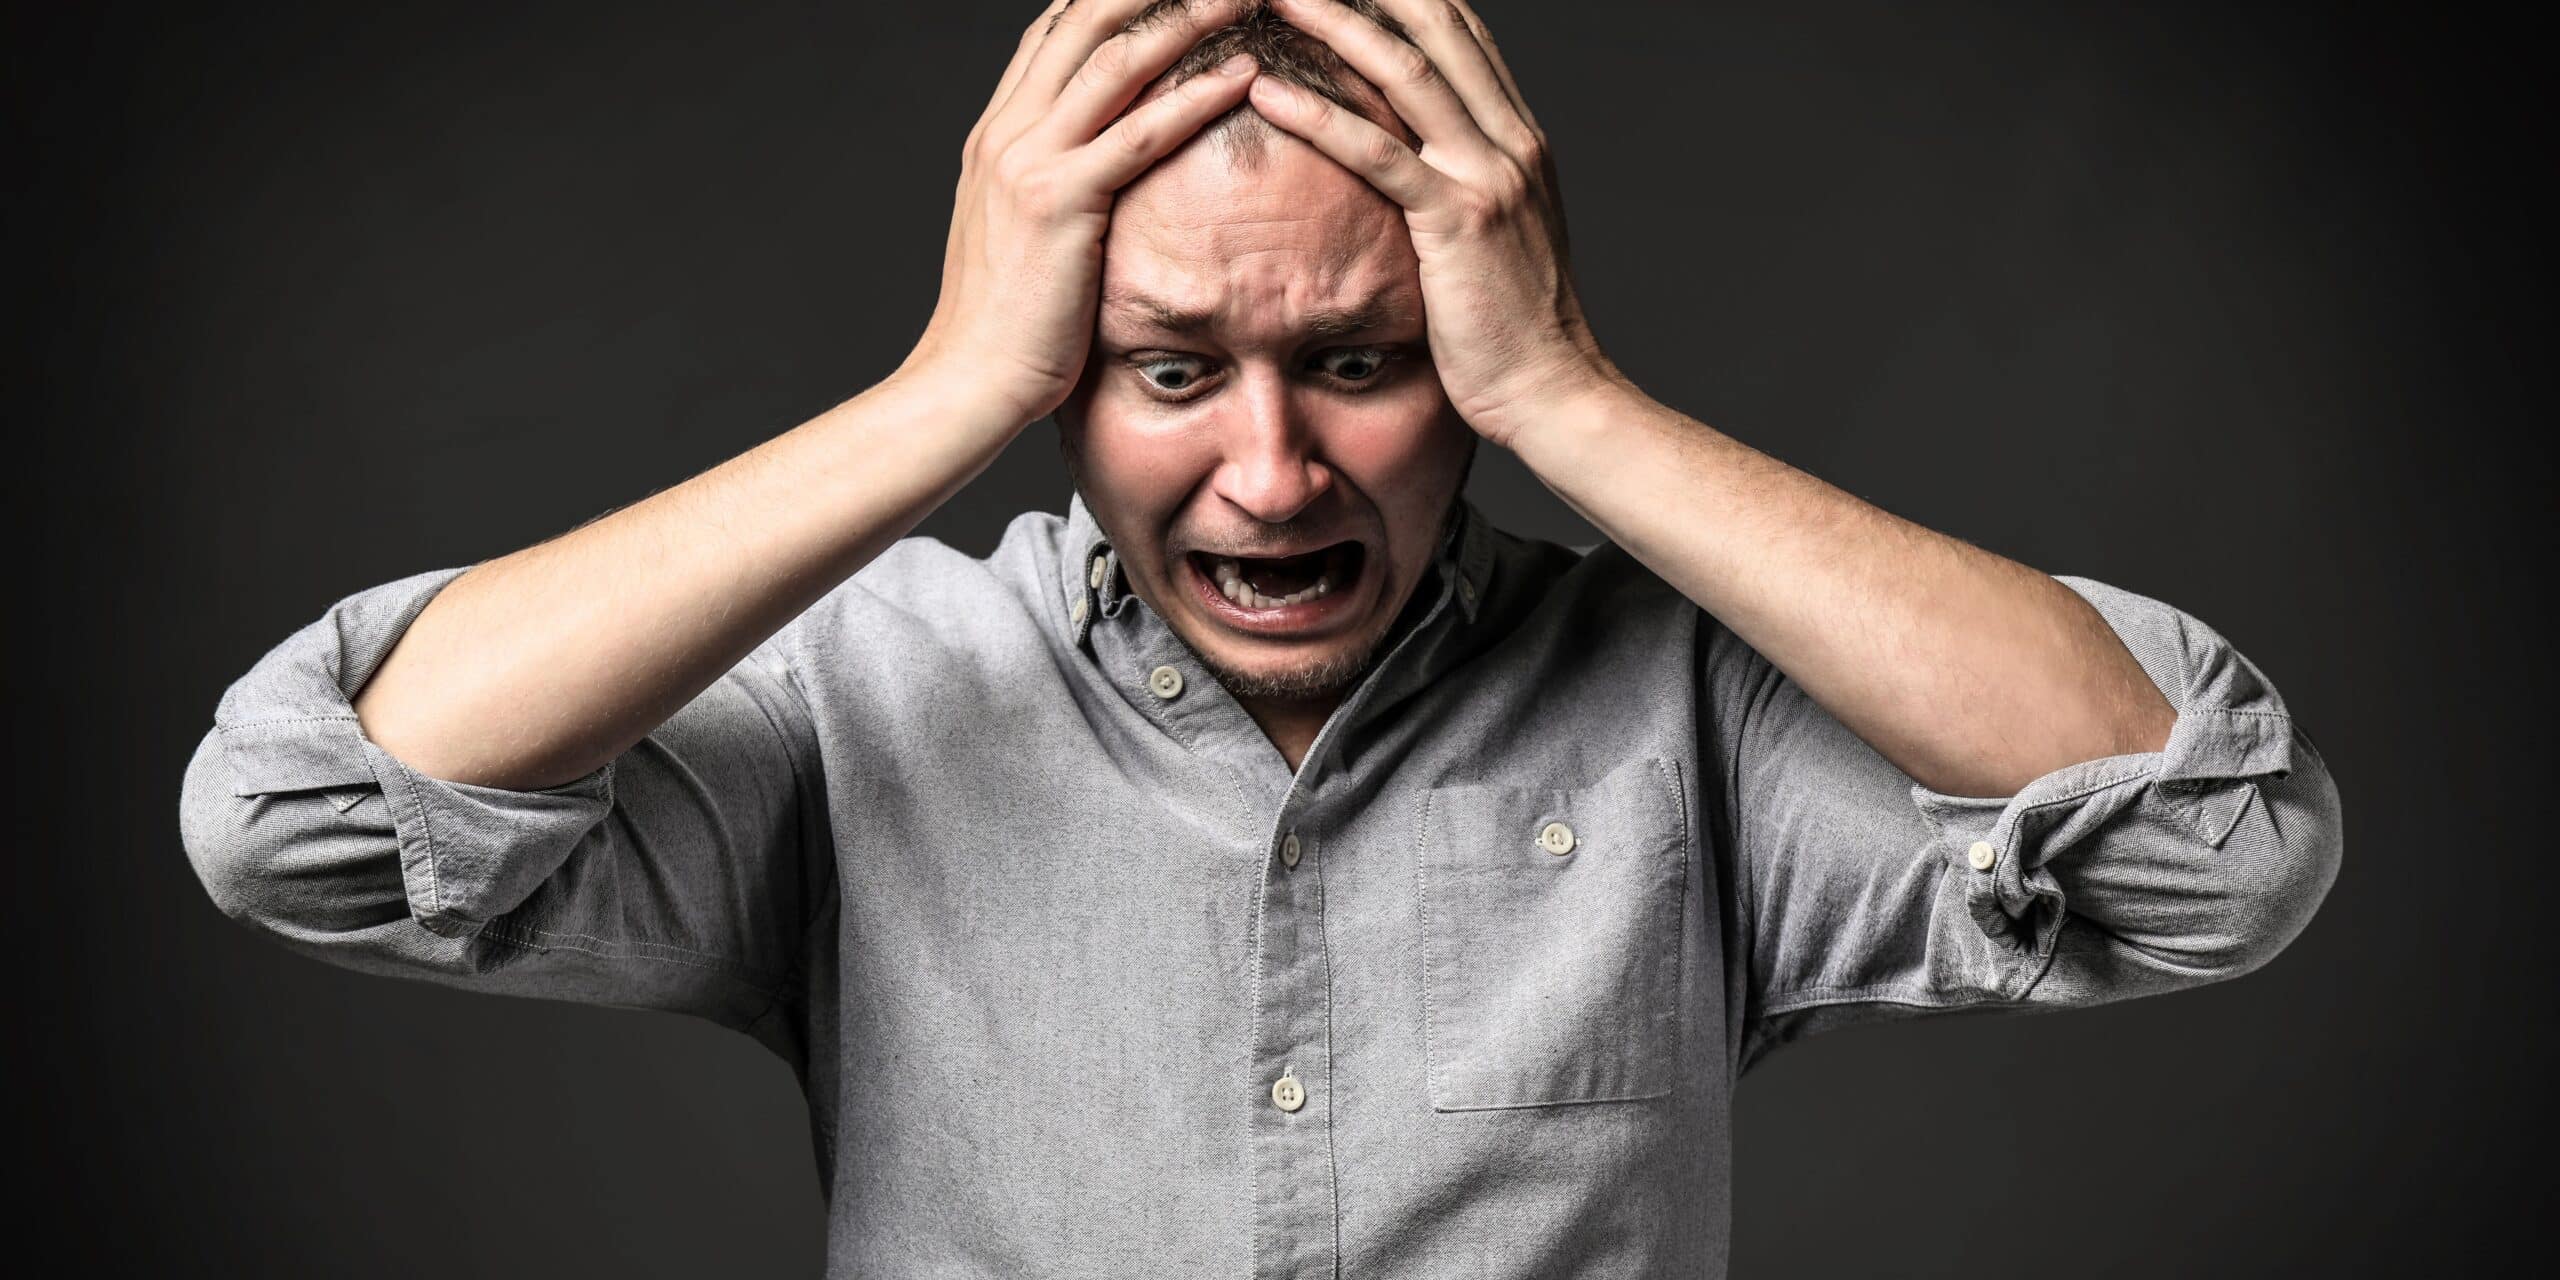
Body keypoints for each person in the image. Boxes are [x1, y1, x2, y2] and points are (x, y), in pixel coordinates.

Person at [178, 0, 2346, 1273]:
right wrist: (938, 395)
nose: (1277, 473)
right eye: (1167, 366)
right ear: (1060, 374)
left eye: (1367, 361)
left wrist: (1571, 399)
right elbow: (296, 817)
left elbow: (2214, 853)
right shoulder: (866, 703)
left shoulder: (1684, 710)